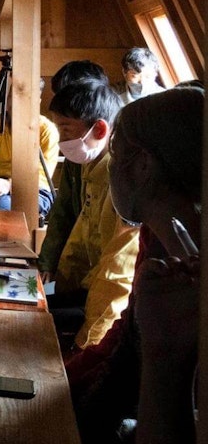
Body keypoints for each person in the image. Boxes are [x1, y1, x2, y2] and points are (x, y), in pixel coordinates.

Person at [70, 86, 202, 444]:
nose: (108, 170)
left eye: (114, 156)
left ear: (143, 166)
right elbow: (125, 341)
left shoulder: (186, 272)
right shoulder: (154, 237)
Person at [44, 79, 138, 350]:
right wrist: (58, 285)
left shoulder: (121, 181)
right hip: (85, 292)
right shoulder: (93, 165)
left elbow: (117, 276)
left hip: (109, 315)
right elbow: (81, 239)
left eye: (66, 131)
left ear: (99, 129)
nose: (61, 142)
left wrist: (87, 344)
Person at [38, 63, 110, 276]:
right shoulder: (78, 147)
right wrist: (47, 264)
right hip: (79, 265)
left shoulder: (114, 160)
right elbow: (64, 210)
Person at [0, 107, 59, 216]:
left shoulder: (46, 129)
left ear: (37, 101)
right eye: (11, 97)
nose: (14, 102)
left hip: (35, 189)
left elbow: (42, 176)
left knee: (6, 207)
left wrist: (9, 185)